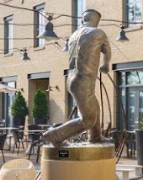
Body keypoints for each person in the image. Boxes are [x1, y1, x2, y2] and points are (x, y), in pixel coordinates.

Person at [43, 9, 111, 146]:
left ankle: (95, 137)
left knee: (95, 107)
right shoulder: (98, 33)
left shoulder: (74, 35)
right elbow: (107, 51)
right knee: (88, 119)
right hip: (84, 79)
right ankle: (55, 135)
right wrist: (105, 66)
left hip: (71, 79)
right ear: (96, 20)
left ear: (83, 19)